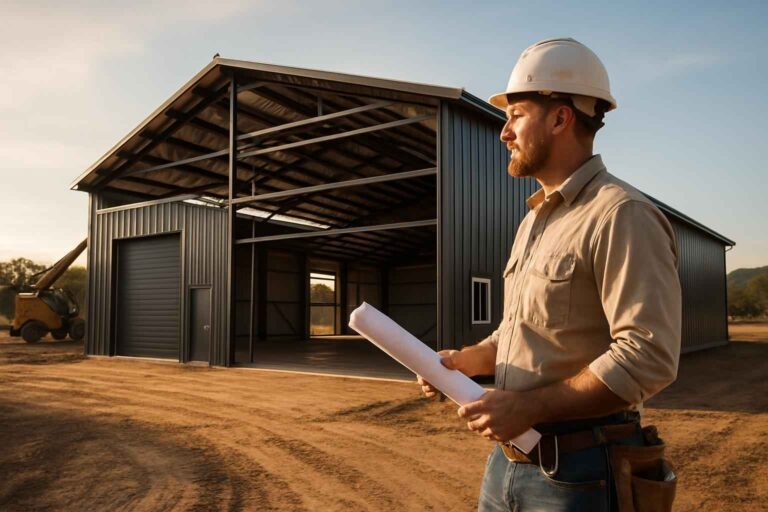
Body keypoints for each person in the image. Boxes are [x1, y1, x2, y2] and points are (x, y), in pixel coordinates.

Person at [418, 38, 681, 511]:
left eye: (516, 114)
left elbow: (648, 354)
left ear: (561, 117)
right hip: (507, 464)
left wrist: (529, 406)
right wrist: (464, 362)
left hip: (581, 474)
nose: (505, 133)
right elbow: (520, 332)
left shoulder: (622, 214)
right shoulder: (534, 222)